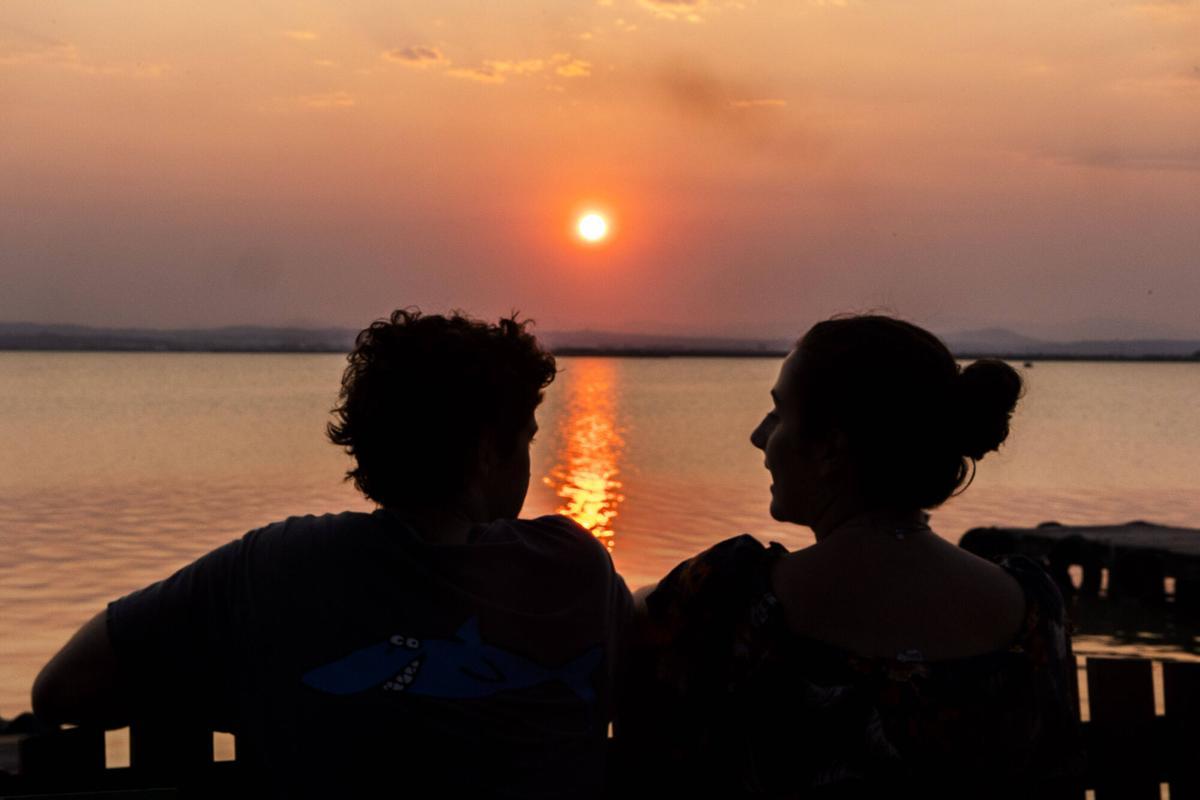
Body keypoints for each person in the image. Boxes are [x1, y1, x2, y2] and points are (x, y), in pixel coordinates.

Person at [32, 309, 633, 798]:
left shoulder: (271, 569)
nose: (530, 461)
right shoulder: (575, 569)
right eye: (527, 438)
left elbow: (61, 689)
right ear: (483, 450)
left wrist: (269, 693)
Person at [617, 314, 1082, 796]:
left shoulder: (731, 593)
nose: (759, 435)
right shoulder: (1031, 606)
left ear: (831, 450)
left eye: (778, 414)